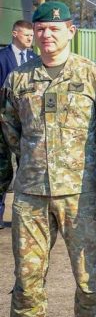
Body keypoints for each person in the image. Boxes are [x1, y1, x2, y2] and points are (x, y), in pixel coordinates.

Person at [2, 1, 96, 317]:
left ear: (71, 31)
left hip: (80, 194)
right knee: (28, 277)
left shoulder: (95, 76)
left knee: (88, 276)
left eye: (54, 28)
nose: (47, 35)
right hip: (31, 195)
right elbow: (8, 133)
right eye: (40, 29)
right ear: (33, 34)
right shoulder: (18, 79)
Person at [0, 20, 36, 223]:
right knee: (2, 171)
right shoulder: (2, 57)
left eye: (31, 35)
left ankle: (26, 214)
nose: (30, 38)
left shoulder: (35, 58)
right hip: (3, 122)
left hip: (27, 123)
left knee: (27, 167)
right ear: (15, 34)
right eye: (26, 35)